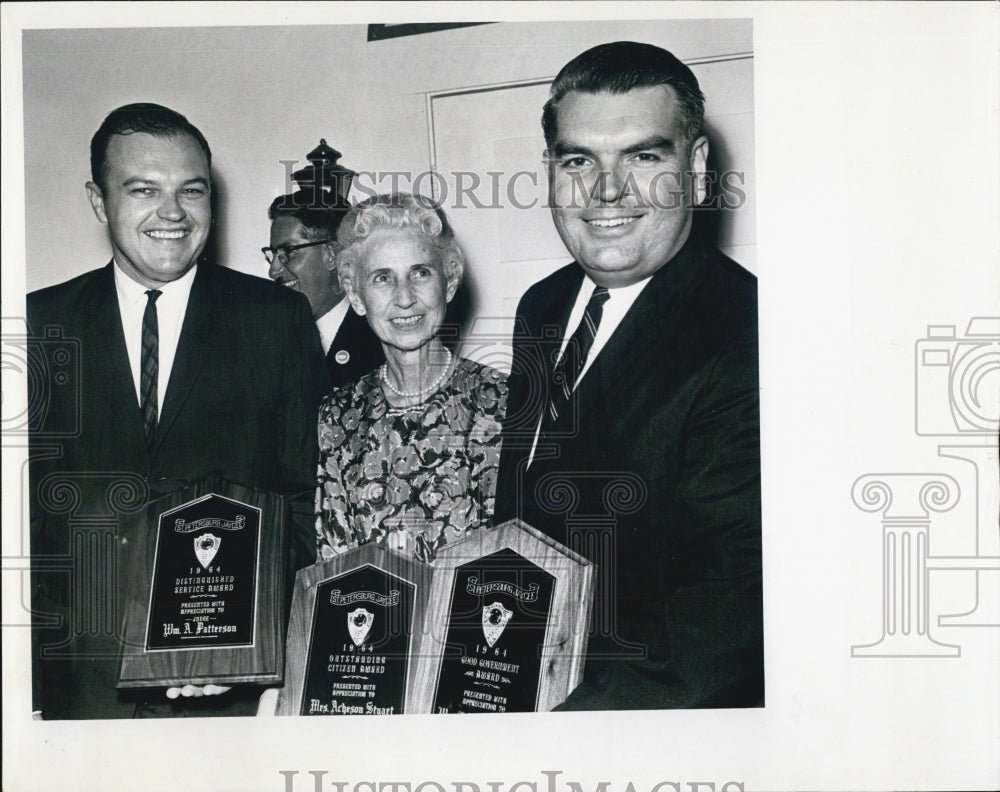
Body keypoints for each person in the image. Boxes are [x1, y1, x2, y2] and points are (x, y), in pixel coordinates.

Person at [27, 103, 328, 719]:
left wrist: (242, 640)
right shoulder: (37, 324)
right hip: (81, 687)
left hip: (229, 689)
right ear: (98, 200)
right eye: (144, 190)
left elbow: (304, 501)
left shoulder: (276, 318)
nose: (173, 213)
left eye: (191, 190)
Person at [495, 42, 763, 709]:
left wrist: (555, 732)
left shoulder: (750, 329)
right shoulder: (543, 306)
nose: (606, 190)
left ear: (696, 170)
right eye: (578, 161)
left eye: (643, 157)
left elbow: (726, 619)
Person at [314, 193, 507, 564]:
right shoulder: (337, 415)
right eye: (382, 278)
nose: (404, 298)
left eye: (421, 273)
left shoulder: (501, 400)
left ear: (449, 283)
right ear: (356, 297)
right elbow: (333, 563)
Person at [266, 190, 384, 387]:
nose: (273, 270)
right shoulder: (271, 342)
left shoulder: (379, 341)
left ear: (331, 255)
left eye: (289, 251)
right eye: (273, 253)